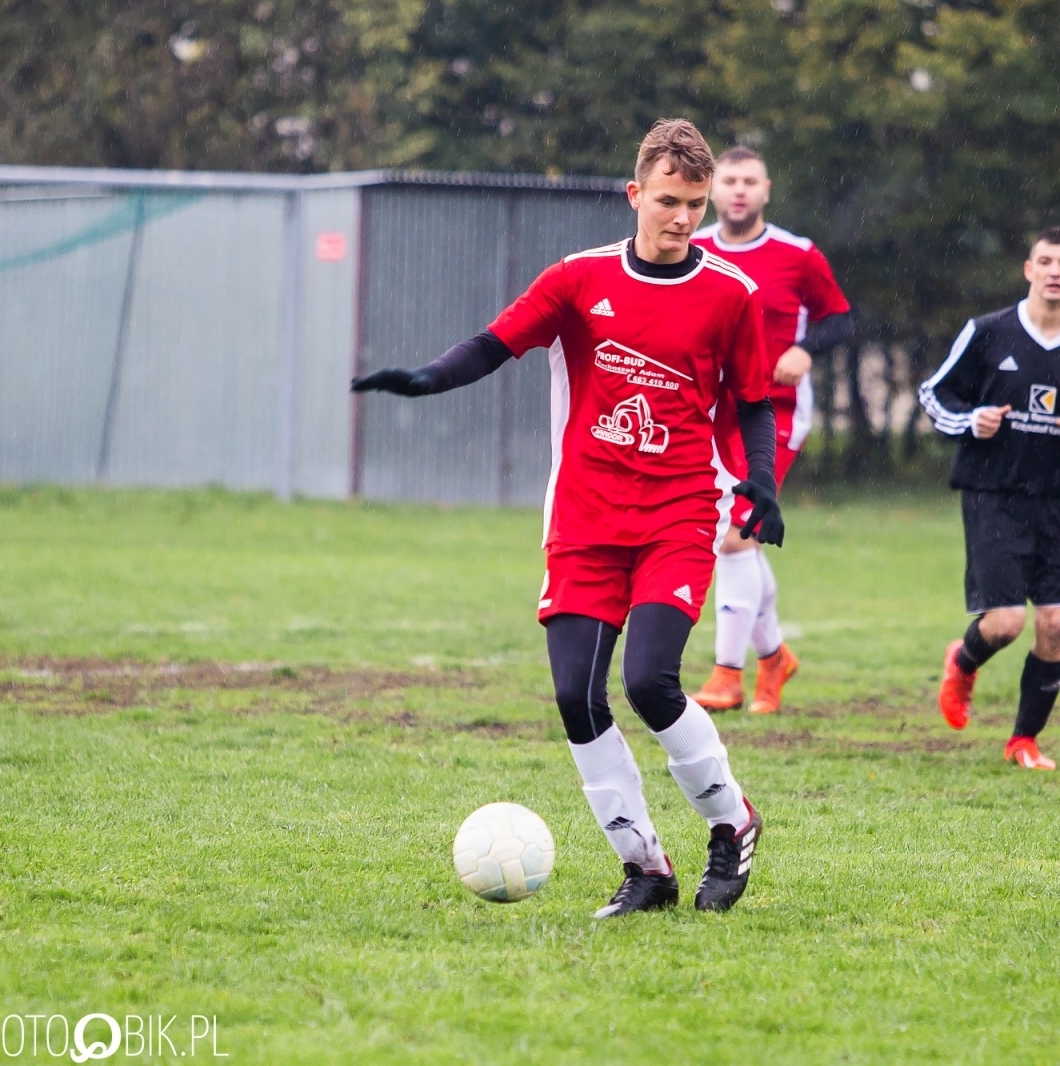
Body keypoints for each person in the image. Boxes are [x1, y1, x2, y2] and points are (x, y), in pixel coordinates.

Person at [352, 119, 776, 916]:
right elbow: (495, 343)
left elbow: (751, 400)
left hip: (677, 516)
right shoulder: (579, 280)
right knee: (578, 699)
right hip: (583, 521)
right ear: (634, 195)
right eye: (667, 201)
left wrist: (761, 484)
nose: (682, 218)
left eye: (693, 203)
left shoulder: (730, 294)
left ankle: (731, 823)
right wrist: (424, 379)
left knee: (650, 680)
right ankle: (645, 868)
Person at [917, 227, 1060, 770]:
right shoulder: (988, 332)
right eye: (1046, 261)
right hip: (993, 493)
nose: (1056, 271)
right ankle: (964, 661)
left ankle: (1024, 740)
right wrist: (973, 419)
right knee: (1006, 623)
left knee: (1056, 624)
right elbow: (934, 393)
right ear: (1029, 269)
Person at [689, 146, 854, 715]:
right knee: (736, 540)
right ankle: (774, 657)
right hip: (709, 412)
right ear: (713, 189)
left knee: (736, 535)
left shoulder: (798, 255)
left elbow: (840, 317)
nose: (739, 190)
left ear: (766, 190)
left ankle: (726, 677)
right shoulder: (694, 250)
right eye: (729, 180)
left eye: (749, 181)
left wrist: (805, 351)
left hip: (775, 410)